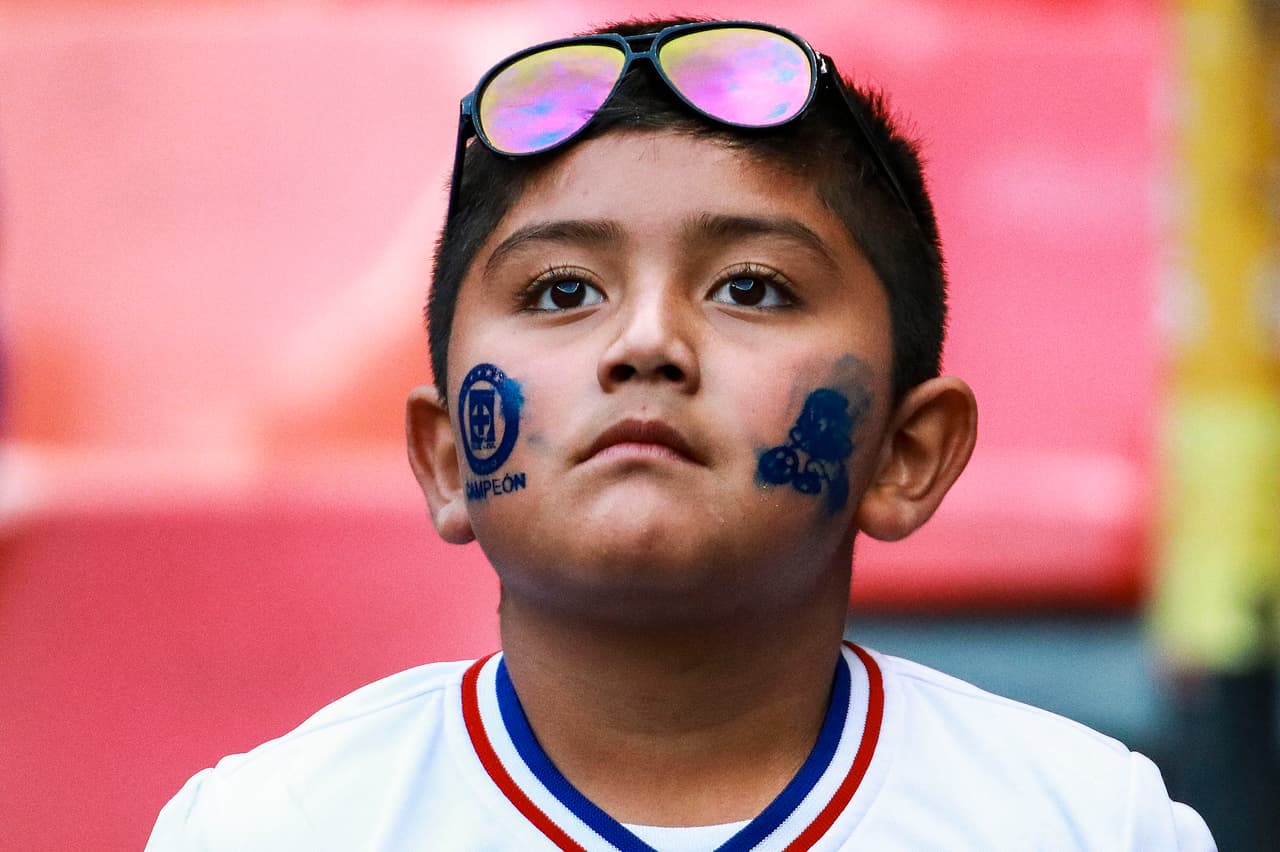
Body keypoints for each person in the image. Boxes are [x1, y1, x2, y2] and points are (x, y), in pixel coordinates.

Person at [147, 17, 1216, 850]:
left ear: (906, 453)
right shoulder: (277, 828)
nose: (646, 342)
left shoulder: (1083, 826)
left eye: (750, 287)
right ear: (443, 458)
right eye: (562, 289)